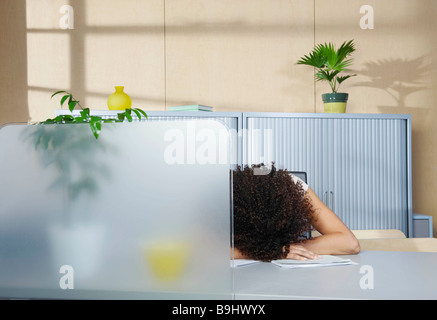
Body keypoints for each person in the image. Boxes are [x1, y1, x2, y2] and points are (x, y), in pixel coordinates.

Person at [232, 164, 360, 262]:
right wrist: (271, 251)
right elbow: (212, 252)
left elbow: (349, 243)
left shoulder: (292, 186)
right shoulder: (227, 192)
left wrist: (284, 248)